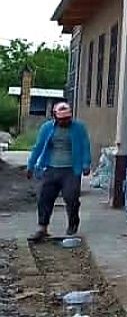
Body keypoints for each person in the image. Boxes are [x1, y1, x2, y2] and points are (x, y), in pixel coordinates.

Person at [25, 102, 92, 242]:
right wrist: (31, 165)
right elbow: (38, 147)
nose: (64, 122)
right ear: (55, 117)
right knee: (45, 197)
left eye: (67, 119)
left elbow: (85, 145)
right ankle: (42, 228)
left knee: (71, 198)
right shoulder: (47, 128)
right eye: (61, 119)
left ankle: (73, 223)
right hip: (51, 168)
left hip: (71, 170)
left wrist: (86, 164)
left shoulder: (79, 128)